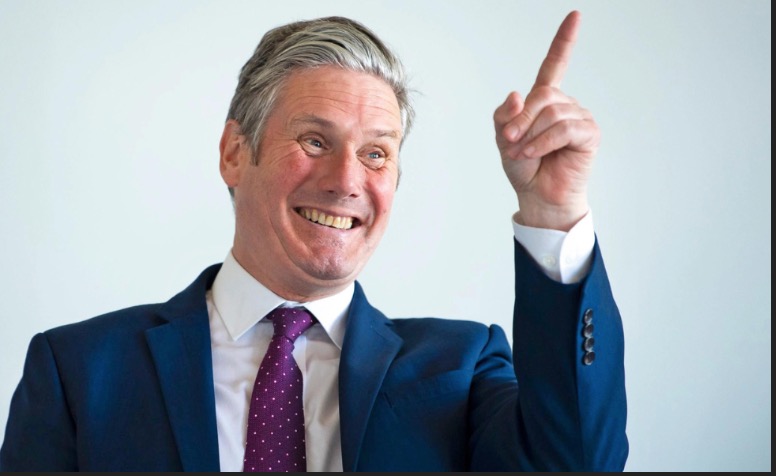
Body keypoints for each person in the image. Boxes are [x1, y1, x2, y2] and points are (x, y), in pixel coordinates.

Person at [0, 11, 628, 472]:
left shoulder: (461, 368)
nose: (346, 181)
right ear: (234, 152)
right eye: (316, 141)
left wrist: (553, 211)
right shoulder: (79, 371)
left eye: (376, 153)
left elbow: (576, 462)